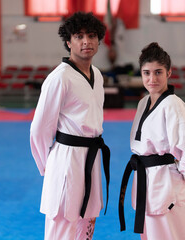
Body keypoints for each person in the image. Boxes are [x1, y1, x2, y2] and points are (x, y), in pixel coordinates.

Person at [30, 12, 110, 240]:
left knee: (87, 223)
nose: (86, 41)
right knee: (63, 223)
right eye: (79, 36)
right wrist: (49, 166)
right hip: (66, 158)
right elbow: (40, 128)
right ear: (68, 42)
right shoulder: (59, 78)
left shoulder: (97, 75)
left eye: (92, 35)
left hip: (91, 156)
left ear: (99, 39)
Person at [119, 42, 185, 240]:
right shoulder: (143, 102)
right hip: (145, 179)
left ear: (169, 72)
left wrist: (182, 177)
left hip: (166, 183)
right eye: (146, 73)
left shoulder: (173, 104)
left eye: (158, 72)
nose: (152, 78)